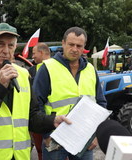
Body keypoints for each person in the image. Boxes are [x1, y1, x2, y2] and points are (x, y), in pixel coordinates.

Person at [0, 22, 71, 160]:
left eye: (10, 45)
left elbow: (32, 117)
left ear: (15, 47)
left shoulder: (23, 74)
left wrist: (52, 121)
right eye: (0, 44)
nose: (6, 50)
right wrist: (0, 85)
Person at [33, 27, 107, 160]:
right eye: (71, 44)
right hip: (55, 137)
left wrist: (96, 134)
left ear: (84, 47)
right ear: (63, 43)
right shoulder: (47, 68)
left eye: (79, 46)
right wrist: (46, 134)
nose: (74, 49)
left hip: (84, 138)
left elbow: (101, 103)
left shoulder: (90, 70)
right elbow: (35, 104)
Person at [28, 42, 51, 160]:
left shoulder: (58, 68)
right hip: (38, 118)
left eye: (34, 53)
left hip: (54, 121)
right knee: (40, 150)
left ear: (41, 53)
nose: (32, 56)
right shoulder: (31, 71)